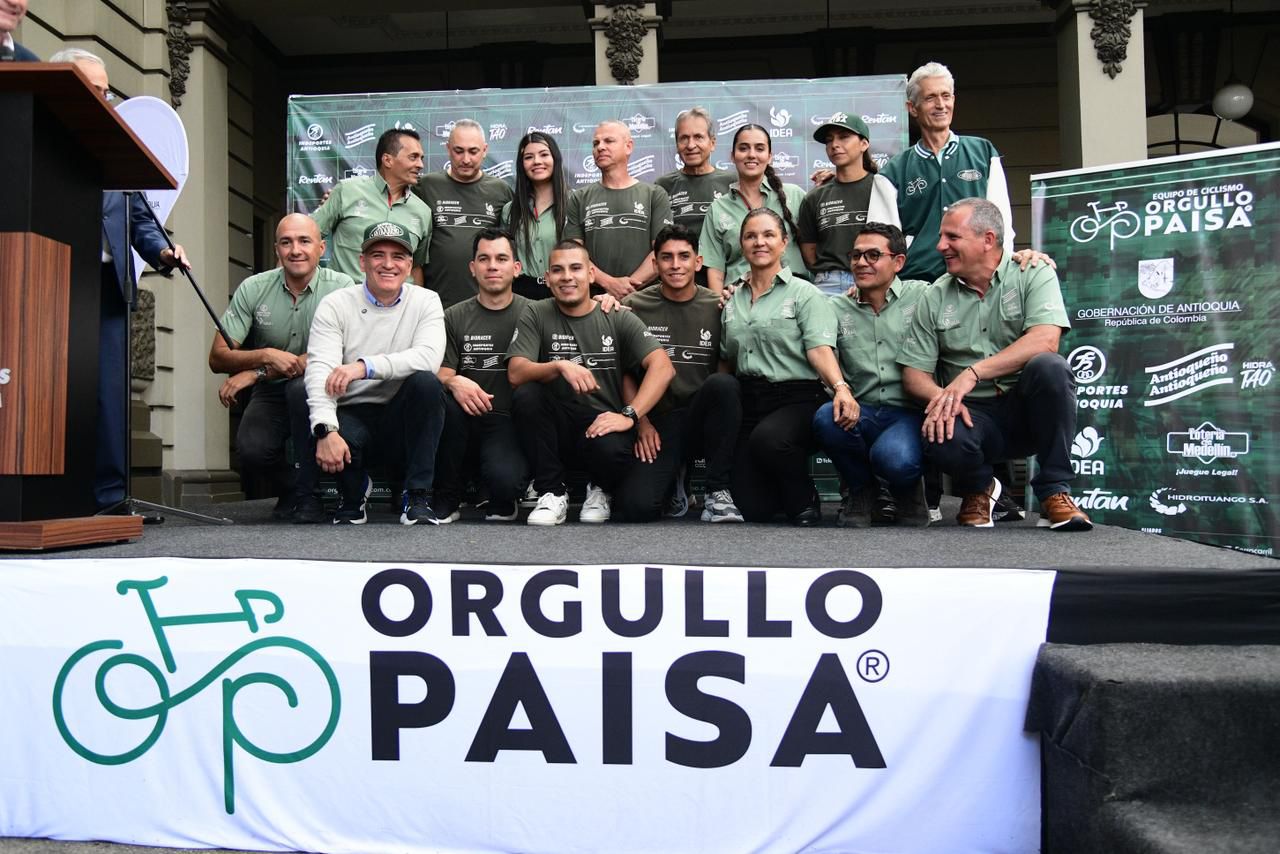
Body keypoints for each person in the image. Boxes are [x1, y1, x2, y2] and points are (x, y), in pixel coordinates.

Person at [51, 49, 192, 510]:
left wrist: (163, 252)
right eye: (92, 90)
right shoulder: (38, 136)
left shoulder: (116, 148)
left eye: (105, 91)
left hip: (107, 286)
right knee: (53, 388)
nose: (104, 99)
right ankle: (50, 497)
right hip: (50, 283)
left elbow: (139, 217)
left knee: (109, 395)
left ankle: (110, 499)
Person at [898, 198, 1091, 531]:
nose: (940, 246)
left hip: (1027, 411)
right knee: (938, 425)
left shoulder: (1033, 272)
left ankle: (1054, 492)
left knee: (1051, 367)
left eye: (952, 237)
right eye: (941, 237)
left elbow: (1046, 339)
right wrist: (945, 399)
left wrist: (973, 373)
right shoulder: (934, 296)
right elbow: (914, 375)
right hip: (973, 416)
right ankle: (980, 488)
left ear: (988, 239)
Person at [507, 240, 675, 526]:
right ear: (547, 278)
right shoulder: (536, 312)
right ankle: (552, 492)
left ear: (591, 274)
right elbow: (516, 373)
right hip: (557, 424)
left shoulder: (615, 315)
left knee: (614, 452)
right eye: (558, 270)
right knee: (527, 395)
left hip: (602, 423)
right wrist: (560, 365)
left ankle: (600, 489)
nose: (567, 277)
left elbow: (663, 367)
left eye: (576, 268)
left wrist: (631, 414)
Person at [208, 214, 354, 522]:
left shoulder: (341, 287)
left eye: (304, 241)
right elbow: (218, 357)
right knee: (252, 451)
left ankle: (311, 497)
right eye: (286, 242)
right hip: (272, 393)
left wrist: (256, 372)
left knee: (300, 388)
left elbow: (341, 351)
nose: (295, 250)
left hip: (324, 389)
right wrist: (265, 355)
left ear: (321, 248)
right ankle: (293, 488)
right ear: (277, 249)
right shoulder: (254, 288)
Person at [301, 222, 447, 525]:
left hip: (399, 416)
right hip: (351, 412)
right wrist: (325, 430)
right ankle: (353, 494)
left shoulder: (426, 301)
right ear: (362, 262)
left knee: (426, 384)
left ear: (409, 265)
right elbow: (320, 370)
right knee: (313, 406)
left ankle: (417, 497)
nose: (388, 264)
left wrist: (363, 366)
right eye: (378, 255)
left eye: (398, 256)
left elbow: (428, 358)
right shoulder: (336, 304)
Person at [720, 208, 851, 526]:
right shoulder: (732, 299)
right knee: (754, 510)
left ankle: (805, 499)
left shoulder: (805, 294)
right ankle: (779, 491)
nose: (759, 242)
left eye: (768, 235)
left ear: (784, 242)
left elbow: (819, 349)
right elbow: (726, 359)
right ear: (741, 244)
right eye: (751, 236)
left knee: (770, 439)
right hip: (751, 401)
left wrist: (840, 388)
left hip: (798, 397)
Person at [621, 224, 743, 522]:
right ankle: (676, 474)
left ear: (698, 262)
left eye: (684, 256)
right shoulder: (633, 306)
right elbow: (625, 374)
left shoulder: (718, 306)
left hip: (702, 416)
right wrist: (641, 422)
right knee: (637, 507)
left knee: (724, 385)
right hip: (659, 421)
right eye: (667, 257)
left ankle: (717, 490)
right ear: (655, 264)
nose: (676, 265)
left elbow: (724, 369)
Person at [811, 223, 929, 528]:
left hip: (908, 413)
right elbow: (819, 345)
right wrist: (841, 389)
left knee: (895, 459)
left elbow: (969, 280)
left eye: (873, 255)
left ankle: (907, 490)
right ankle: (862, 490)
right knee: (826, 418)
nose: (862, 262)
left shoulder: (924, 296)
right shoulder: (836, 307)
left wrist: (1026, 258)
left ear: (898, 262)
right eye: (856, 255)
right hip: (860, 410)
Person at [880, 61, 1014, 282]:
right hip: (918, 282)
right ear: (912, 108)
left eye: (946, 96)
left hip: (977, 279)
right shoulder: (893, 171)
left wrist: (1004, 273)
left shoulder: (983, 153)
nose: (940, 105)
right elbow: (883, 240)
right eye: (930, 98)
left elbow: (1002, 223)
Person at [432, 228, 531, 523]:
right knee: (441, 398)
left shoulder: (535, 313)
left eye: (501, 259)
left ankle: (498, 489)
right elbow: (441, 372)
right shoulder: (453, 315)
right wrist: (453, 381)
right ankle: (448, 495)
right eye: (484, 259)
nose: (492, 266)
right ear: (473, 268)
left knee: (505, 482)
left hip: (508, 422)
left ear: (516, 268)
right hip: (463, 418)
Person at [564, 120, 672, 300]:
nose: (600, 147)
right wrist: (609, 284)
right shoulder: (579, 197)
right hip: (594, 301)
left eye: (609, 141)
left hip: (645, 301)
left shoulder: (654, 194)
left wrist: (625, 289)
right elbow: (573, 253)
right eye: (595, 143)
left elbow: (663, 251)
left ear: (628, 146)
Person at [413, 119, 514, 309]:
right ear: (448, 149)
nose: (466, 159)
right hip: (436, 306)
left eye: (473, 151)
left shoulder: (501, 191)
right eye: (459, 151)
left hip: (487, 307)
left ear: (485, 150)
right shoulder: (425, 186)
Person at [311, 127, 431, 285]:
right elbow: (306, 237)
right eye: (413, 157)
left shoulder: (423, 212)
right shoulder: (346, 191)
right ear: (387, 160)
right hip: (347, 295)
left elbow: (415, 268)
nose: (420, 164)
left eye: (421, 158)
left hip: (400, 300)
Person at [799, 113, 899, 296]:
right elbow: (809, 251)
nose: (835, 145)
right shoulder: (815, 196)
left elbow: (897, 240)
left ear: (864, 144)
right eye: (829, 140)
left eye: (844, 137)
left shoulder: (882, 187)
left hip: (876, 281)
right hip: (828, 285)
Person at [700, 124, 808, 293]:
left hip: (792, 295)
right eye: (743, 148)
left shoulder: (795, 196)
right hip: (741, 297)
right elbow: (715, 269)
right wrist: (719, 302)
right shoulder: (719, 208)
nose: (751, 154)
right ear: (732, 156)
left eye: (759, 148)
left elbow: (813, 251)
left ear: (770, 156)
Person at [655, 107, 734, 285]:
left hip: (725, 284)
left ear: (712, 143)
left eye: (698, 137)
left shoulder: (732, 183)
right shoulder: (662, 186)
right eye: (684, 138)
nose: (691, 145)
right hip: (676, 285)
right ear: (677, 144)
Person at [500, 131, 569, 301]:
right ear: (521, 164)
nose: (537, 161)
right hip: (520, 293)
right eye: (529, 157)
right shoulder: (510, 210)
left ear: (555, 159)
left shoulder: (573, 204)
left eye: (544, 154)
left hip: (563, 289)